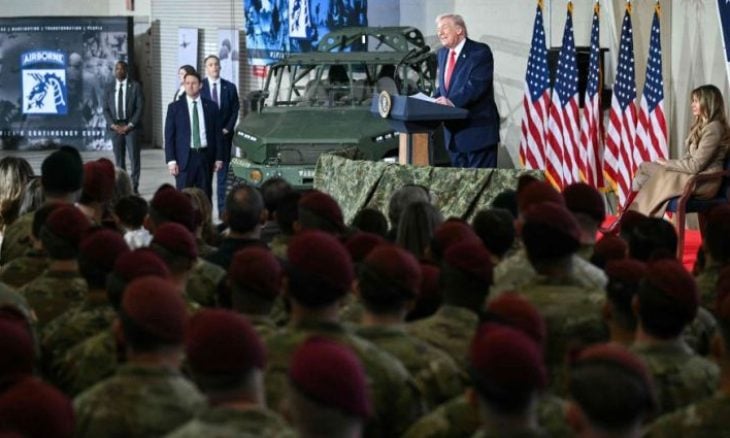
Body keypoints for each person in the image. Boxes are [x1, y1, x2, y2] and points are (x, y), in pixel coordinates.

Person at [627, 84, 730, 216]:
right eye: (692, 101)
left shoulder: (714, 128)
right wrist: (668, 164)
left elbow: (695, 166)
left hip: (703, 181)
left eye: (696, 101)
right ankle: (636, 217)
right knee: (644, 168)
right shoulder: (701, 126)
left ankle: (635, 218)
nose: (692, 105)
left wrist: (667, 163)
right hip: (691, 176)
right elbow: (689, 158)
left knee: (654, 175)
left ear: (708, 102)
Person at [434, 14, 500, 168]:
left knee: (481, 181)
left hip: (477, 132)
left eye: (444, 28)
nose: (440, 33)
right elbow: (445, 88)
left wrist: (451, 102)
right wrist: (429, 101)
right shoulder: (442, 54)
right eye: (438, 30)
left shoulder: (479, 52)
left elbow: (476, 85)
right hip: (453, 136)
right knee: (460, 182)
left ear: (459, 30)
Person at [164, 71, 224, 201]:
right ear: (184, 85)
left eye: (194, 83)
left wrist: (219, 158)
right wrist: (171, 160)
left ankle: (204, 215)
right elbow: (169, 136)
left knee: (205, 196)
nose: (190, 86)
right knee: (183, 197)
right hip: (184, 159)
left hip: (205, 157)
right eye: (187, 83)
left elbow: (218, 134)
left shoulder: (211, 107)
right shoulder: (174, 108)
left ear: (200, 85)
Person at [201, 55, 240, 217]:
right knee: (206, 179)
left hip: (224, 139)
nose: (214, 67)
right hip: (206, 140)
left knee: (223, 178)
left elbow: (235, 110)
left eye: (216, 64)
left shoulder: (229, 87)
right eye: (211, 65)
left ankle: (222, 212)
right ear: (206, 68)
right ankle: (207, 212)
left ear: (220, 67)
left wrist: (227, 128)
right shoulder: (200, 87)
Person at [103, 60, 144, 194]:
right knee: (119, 160)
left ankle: (134, 186)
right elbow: (105, 109)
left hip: (131, 127)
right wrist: (113, 125)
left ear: (126, 71)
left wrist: (130, 125)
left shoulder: (135, 86)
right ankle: (122, 188)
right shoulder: (109, 87)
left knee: (134, 158)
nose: (119, 71)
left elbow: (140, 108)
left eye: (121, 69)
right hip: (115, 127)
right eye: (117, 69)